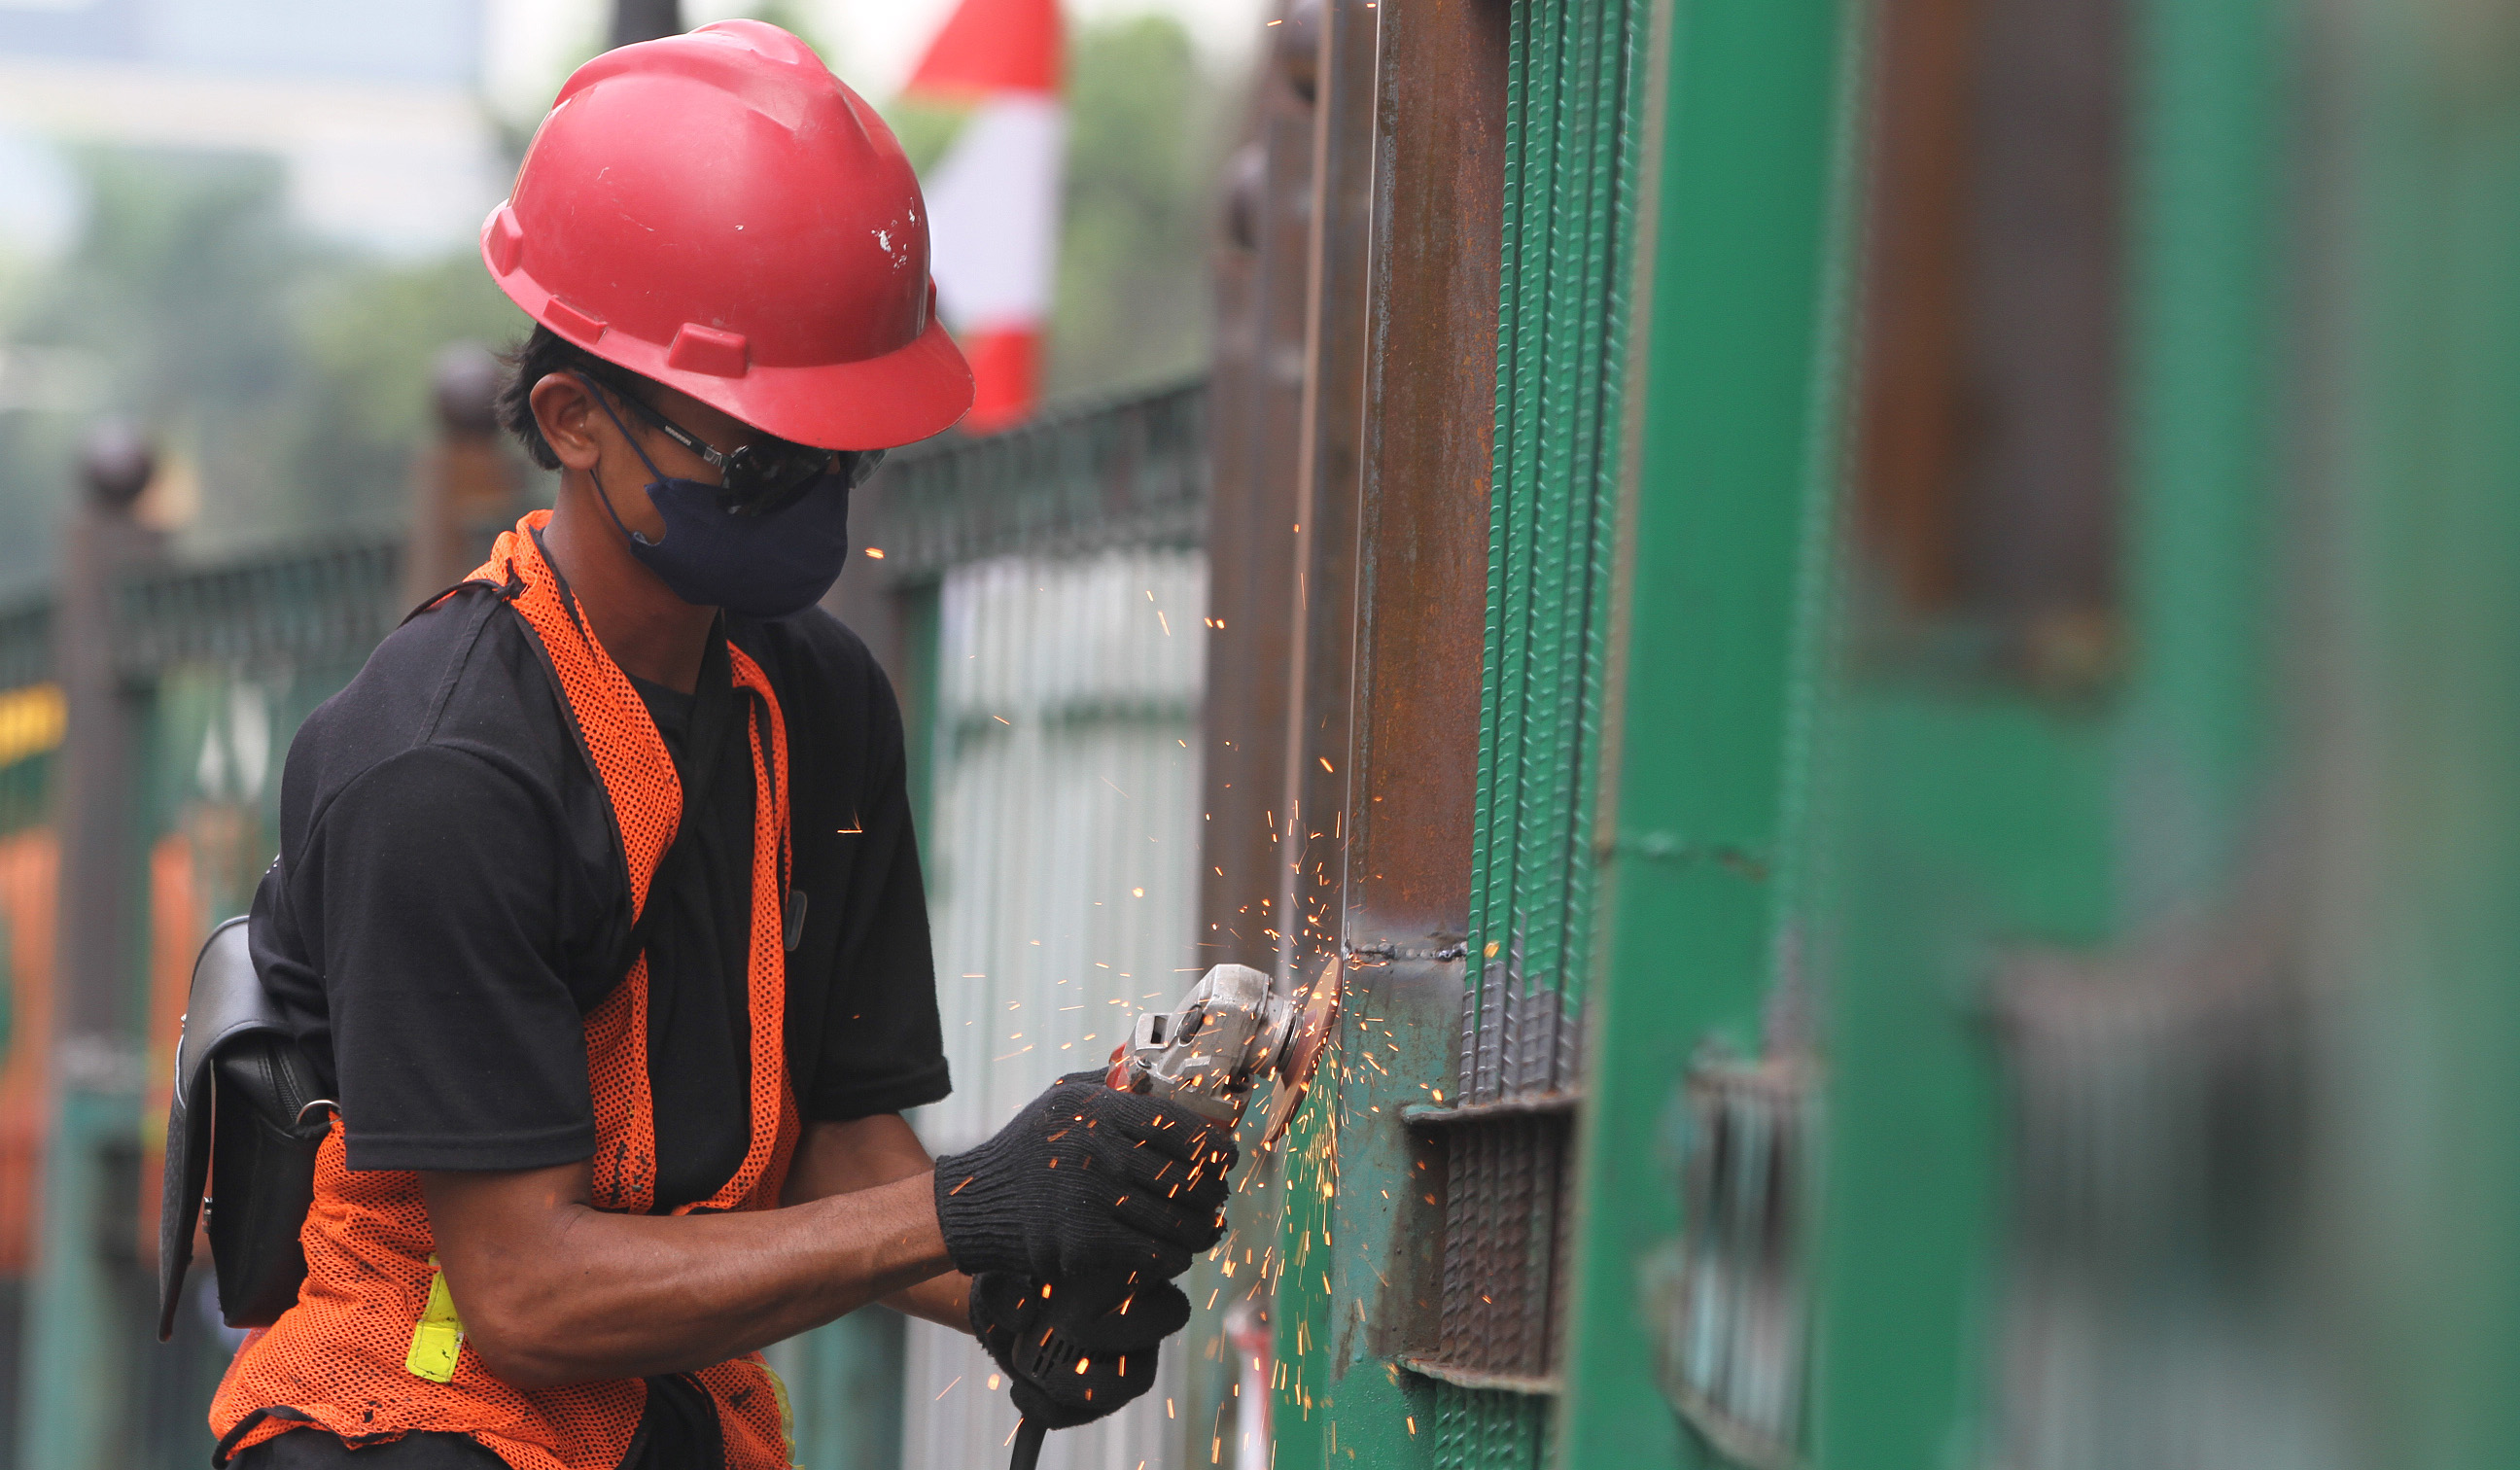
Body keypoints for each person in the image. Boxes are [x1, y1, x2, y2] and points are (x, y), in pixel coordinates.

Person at [205, 22, 1234, 1469]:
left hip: (668, 1406)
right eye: (756, 456)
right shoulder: (440, 768)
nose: (809, 493)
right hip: (421, 1400)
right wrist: (966, 1209)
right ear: (572, 419)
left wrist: (1017, 1280)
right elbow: (525, 1295)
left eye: (838, 449)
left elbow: (838, 1147)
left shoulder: (819, 704)